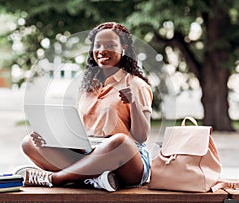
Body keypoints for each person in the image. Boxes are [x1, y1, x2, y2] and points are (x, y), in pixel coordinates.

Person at [16, 22, 153, 192]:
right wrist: (54, 138)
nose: (103, 50)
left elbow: (141, 137)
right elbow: (81, 134)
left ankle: (57, 178)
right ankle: (96, 179)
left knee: (120, 142)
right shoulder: (89, 87)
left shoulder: (135, 84)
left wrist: (133, 103)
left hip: (127, 159)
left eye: (111, 45)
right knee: (29, 143)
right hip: (89, 152)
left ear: (123, 48)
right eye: (98, 45)